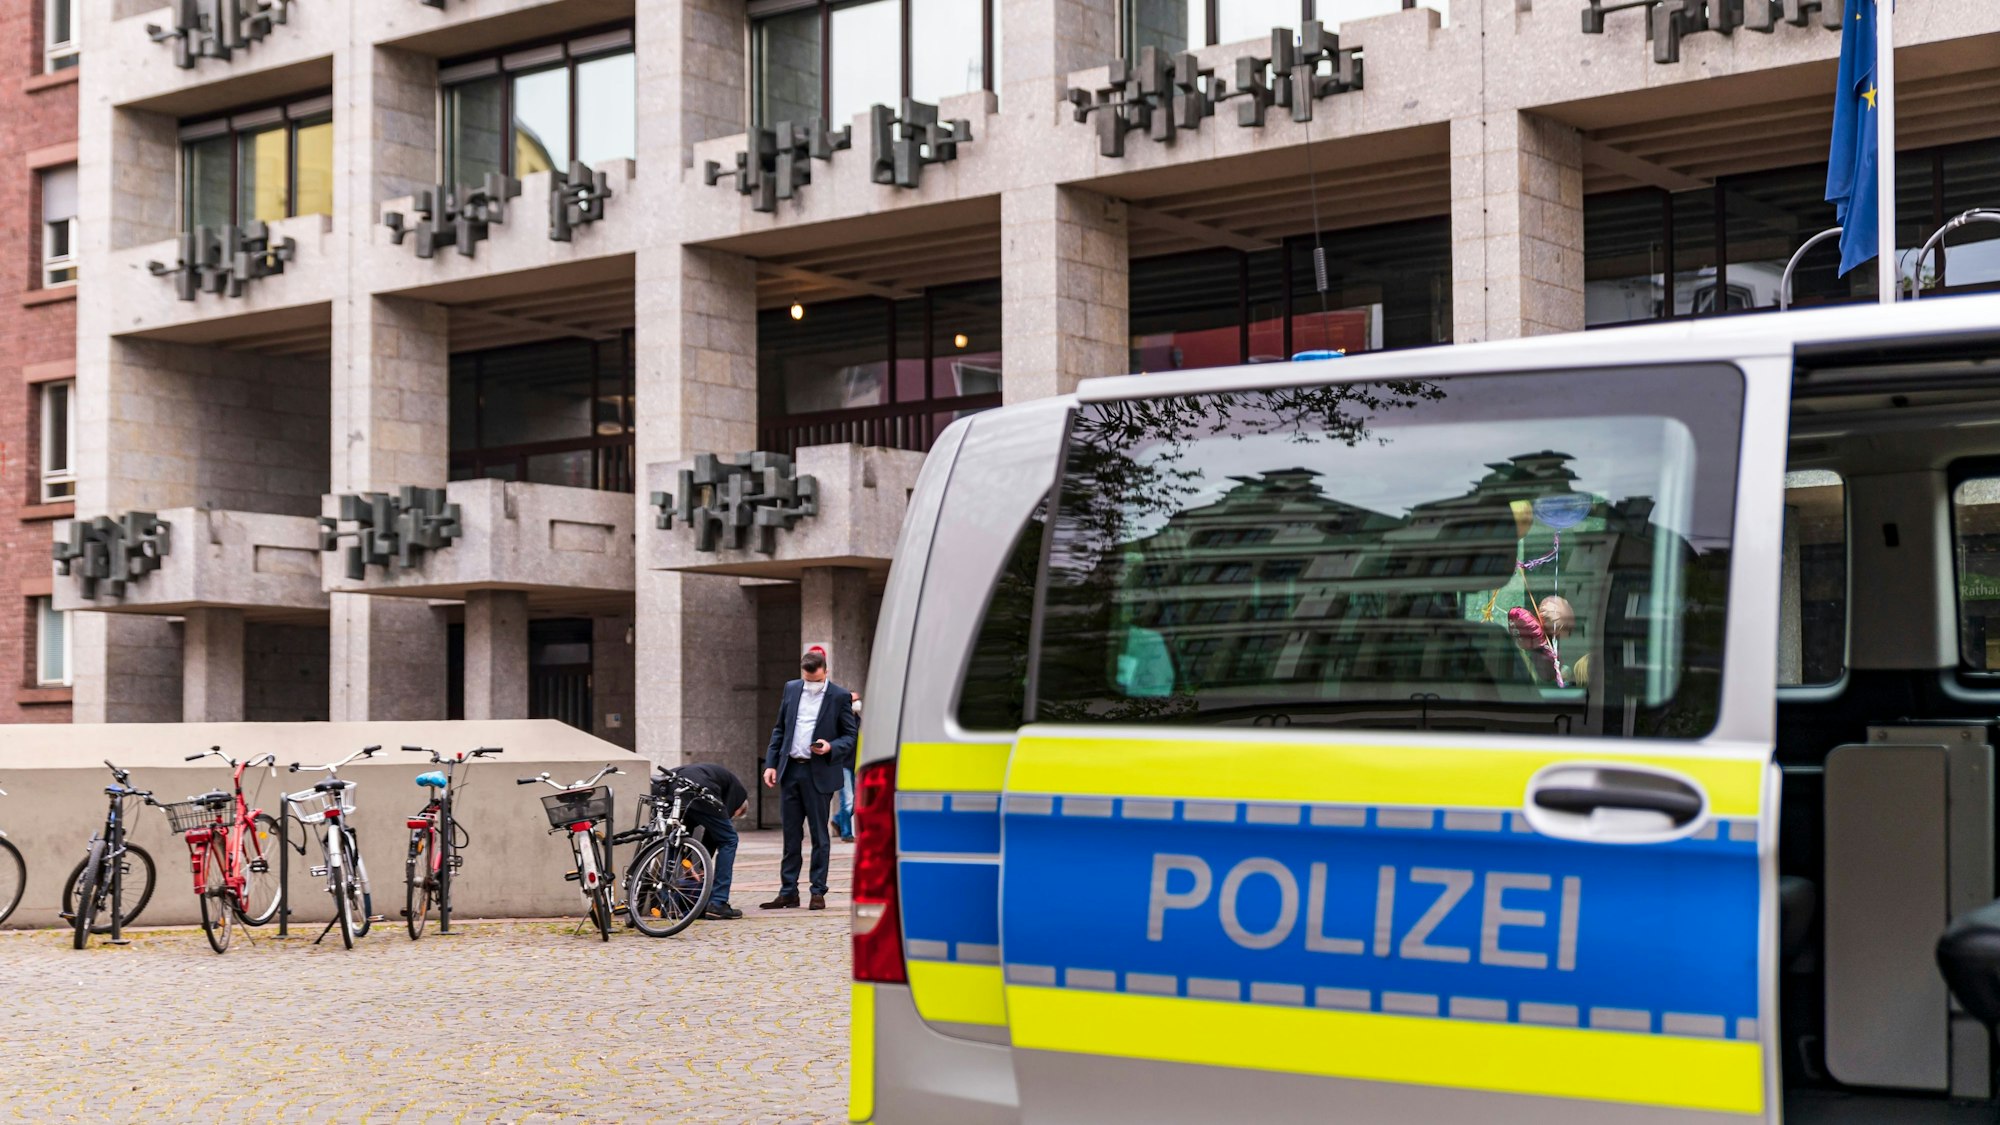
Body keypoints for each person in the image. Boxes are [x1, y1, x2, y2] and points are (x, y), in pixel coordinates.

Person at [760, 648, 858, 910]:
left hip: (819, 772)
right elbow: (780, 728)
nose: (811, 685)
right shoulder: (792, 689)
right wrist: (771, 764)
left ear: (825, 672)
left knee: (819, 835)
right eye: (807, 680)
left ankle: (818, 891)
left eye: (815, 680)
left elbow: (851, 736)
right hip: (791, 769)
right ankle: (788, 891)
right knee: (791, 835)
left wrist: (830, 747)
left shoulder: (839, 696)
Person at [656, 761, 748, 920]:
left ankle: (668, 904)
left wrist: (696, 865)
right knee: (729, 839)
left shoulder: (715, 774)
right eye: (735, 815)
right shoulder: (739, 794)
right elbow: (717, 834)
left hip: (671, 785)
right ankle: (718, 903)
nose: (732, 817)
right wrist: (700, 865)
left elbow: (709, 834)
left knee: (675, 841)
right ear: (739, 808)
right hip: (698, 787)